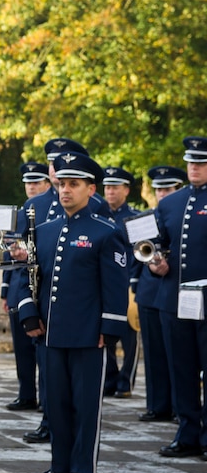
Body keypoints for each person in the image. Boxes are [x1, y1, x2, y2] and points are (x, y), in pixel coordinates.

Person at [19, 152, 128, 473]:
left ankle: (82, 468)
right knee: (57, 403)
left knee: (84, 405)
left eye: (74, 185)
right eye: (62, 184)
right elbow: (31, 277)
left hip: (87, 335)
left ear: (90, 189)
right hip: (51, 333)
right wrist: (29, 314)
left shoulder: (105, 232)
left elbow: (115, 288)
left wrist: (109, 330)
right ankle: (59, 465)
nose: (65, 190)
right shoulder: (46, 231)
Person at [148, 136, 207, 459]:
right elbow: (157, 243)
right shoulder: (170, 202)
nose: (194, 167)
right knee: (180, 368)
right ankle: (187, 433)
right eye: (191, 161)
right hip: (173, 299)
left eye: (201, 162)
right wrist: (156, 263)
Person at [135, 166, 185, 423]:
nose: (163, 193)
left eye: (168, 189)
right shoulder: (146, 218)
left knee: (176, 354)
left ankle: (179, 406)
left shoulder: (182, 214)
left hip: (173, 292)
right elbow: (136, 255)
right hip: (148, 290)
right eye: (159, 189)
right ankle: (157, 404)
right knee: (153, 353)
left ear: (177, 190)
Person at [0, 161, 50, 413]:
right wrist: (5, 291)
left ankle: (46, 397)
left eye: (36, 182)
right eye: (28, 183)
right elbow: (11, 253)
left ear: (47, 183)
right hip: (20, 283)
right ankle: (26, 393)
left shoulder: (51, 209)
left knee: (42, 347)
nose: (31, 187)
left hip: (42, 282)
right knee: (21, 345)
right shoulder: (23, 211)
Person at [98, 166, 139, 398]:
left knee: (130, 336)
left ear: (126, 190)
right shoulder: (100, 215)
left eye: (115, 187)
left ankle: (126, 382)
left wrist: (133, 282)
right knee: (107, 334)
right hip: (106, 284)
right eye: (108, 187)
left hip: (129, 282)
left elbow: (142, 251)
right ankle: (110, 378)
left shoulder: (133, 216)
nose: (110, 191)